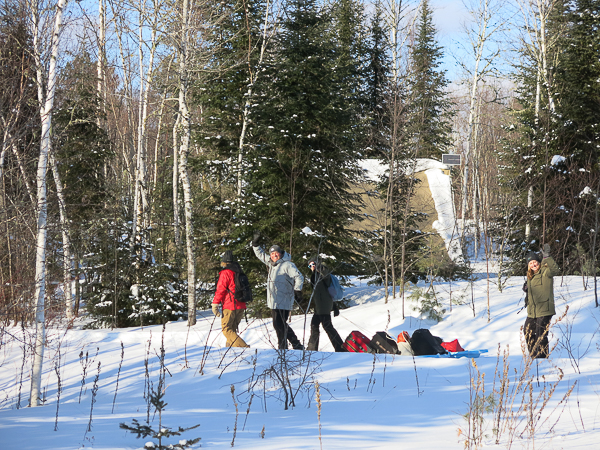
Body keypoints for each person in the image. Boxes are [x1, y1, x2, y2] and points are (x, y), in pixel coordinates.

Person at [252, 232, 304, 350]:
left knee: (279, 324)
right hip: (275, 301)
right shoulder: (272, 264)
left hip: (284, 299)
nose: (274, 255)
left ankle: (284, 347)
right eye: (272, 253)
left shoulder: (287, 265)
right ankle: (295, 345)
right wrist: (255, 244)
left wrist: (298, 290)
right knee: (279, 324)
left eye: (276, 253)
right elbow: (260, 255)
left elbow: (299, 277)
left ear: (281, 253)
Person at [523, 244, 559, 358]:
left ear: (539, 262)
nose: (533, 264)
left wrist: (546, 257)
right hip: (533, 310)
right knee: (527, 332)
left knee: (541, 334)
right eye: (530, 263)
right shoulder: (530, 276)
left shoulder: (545, 272)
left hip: (544, 310)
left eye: (535, 262)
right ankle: (534, 356)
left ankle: (542, 358)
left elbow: (555, 270)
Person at [211, 250, 249, 348]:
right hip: (241, 305)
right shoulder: (239, 271)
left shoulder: (226, 273)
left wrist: (215, 304)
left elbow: (220, 289)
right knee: (232, 330)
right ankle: (230, 352)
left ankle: (244, 348)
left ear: (224, 262)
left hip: (230, 305)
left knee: (226, 329)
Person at [306, 259, 345, 352]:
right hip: (320, 306)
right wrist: (334, 306)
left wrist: (320, 268)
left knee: (324, 326)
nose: (312, 267)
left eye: (313, 264)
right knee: (320, 326)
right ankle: (339, 347)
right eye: (310, 265)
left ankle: (339, 347)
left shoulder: (323, 275)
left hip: (322, 307)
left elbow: (325, 273)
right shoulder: (315, 276)